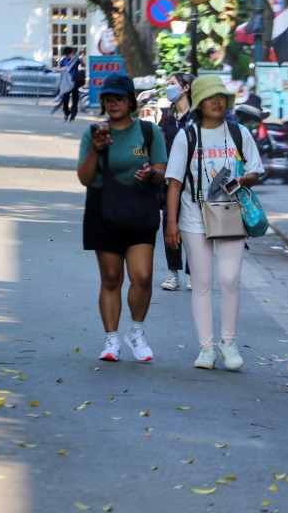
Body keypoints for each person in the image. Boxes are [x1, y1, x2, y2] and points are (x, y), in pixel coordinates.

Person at [164, 76, 264, 371]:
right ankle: (206, 347)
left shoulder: (238, 132)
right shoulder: (187, 135)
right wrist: (171, 223)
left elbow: (256, 172)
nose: (217, 101)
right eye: (210, 97)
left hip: (230, 213)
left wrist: (244, 179)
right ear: (199, 103)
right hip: (193, 215)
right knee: (203, 282)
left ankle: (228, 343)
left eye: (220, 96)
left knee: (231, 278)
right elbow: (173, 182)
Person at [77, 73, 168, 363]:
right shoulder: (94, 132)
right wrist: (95, 149)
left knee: (142, 276)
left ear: (131, 101)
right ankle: (111, 340)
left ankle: (136, 333)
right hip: (103, 210)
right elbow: (84, 178)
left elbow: (162, 172)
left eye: (119, 98)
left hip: (139, 209)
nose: (113, 103)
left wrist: (150, 173)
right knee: (111, 278)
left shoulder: (149, 132)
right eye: (108, 98)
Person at [157, 72, 195, 291]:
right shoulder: (166, 117)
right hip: (171, 180)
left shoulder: (197, 117)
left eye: (172, 84)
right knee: (169, 223)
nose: (168, 88)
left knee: (194, 226)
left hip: (195, 180)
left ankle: (193, 273)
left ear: (185, 88)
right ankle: (173, 273)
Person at [57, 46, 85, 122]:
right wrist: (63, 69)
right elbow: (58, 68)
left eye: (68, 55)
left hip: (75, 82)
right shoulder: (64, 60)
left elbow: (83, 62)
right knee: (65, 101)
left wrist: (82, 52)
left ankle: (73, 116)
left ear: (72, 53)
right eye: (66, 55)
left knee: (75, 100)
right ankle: (67, 113)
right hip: (66, 83)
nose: (67, 56)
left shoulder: (75, 59)